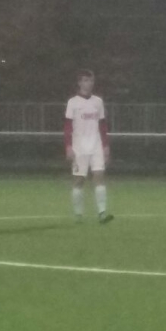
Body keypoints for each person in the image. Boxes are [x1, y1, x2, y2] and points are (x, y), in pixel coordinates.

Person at [65, 69, 113, 224]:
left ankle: (102, 213)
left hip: (96, 145)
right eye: (86, 80)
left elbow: (103, 125)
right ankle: (78, 214)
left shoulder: (98, 101)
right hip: (79, 147)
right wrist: (68, 146)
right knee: (79, 180)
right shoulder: (73, 102)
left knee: (99, 176)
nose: (89, 83)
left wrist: (106, 146)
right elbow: (68, 127)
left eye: (91, 80)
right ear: (79, 83)